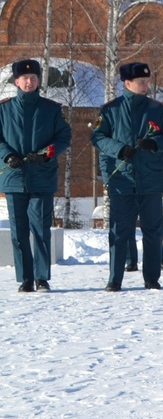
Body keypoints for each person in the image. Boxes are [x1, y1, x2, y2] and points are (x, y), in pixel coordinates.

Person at [92, 63, 163, 291]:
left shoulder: (156, 109)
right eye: (141, 82)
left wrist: (155, 143)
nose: (145, 86)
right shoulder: (111, 110)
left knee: (153, 231)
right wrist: (119, 149)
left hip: (150, 179)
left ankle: (152, 278)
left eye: (147, 82)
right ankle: (115, 278)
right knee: (119, 232)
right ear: (127, 83)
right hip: (122, 179)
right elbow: (98, 138)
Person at [0, 59, 72, 292]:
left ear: (39, 80)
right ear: (16, 81)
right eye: (24, 78)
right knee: (19, 233)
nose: (29, 82)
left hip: (42, 177)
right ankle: (26, 279)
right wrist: (7, 156)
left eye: (33, 78)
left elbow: (63, 137)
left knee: (41, 230)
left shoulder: (51, 109)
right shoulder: (4, 109)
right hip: (14, 178)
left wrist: (48, 154)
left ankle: (42, 277)